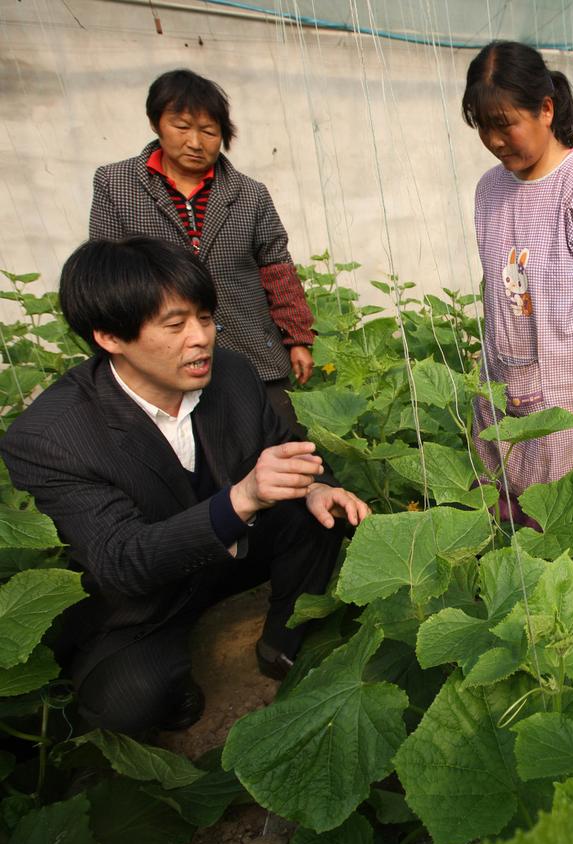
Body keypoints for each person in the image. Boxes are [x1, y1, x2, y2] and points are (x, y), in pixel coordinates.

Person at [0, 237, 369, 736]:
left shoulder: (233, 375)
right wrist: (242, 498)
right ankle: (169, 680)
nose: (200, 338)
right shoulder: (50, 436)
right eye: (175, 325)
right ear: (110, 336)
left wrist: (317, 487)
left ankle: (285, 635)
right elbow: (121, 561)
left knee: (324, 512)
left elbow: (288, 447)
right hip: (147, 595)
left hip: (231, 556)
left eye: (205, 318)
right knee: (129, 705)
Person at [462, 41, 573, 518]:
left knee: (559, 522)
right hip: (502, 377)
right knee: (500, 512)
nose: (495, 140)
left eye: (505, 124)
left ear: (545, 109)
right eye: (483, 126)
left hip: (570, 389)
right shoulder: (489, 189)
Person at [89, 69, 314, 427]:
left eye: (209, 131)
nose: (196, 142)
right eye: (181, 127)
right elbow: (104, 273)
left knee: (281, 444)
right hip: (163, 355)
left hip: (251, 347)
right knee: (192, 456)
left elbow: (276, 267)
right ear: (155, 123)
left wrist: (297, 338)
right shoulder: (117, 184)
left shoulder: (249, 193)